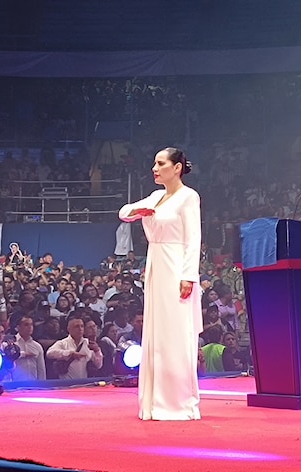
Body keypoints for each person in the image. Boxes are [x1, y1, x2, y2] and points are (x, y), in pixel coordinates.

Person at [119, 147, 202, 421]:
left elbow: (193, 238)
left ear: (177, 167)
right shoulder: (156, 196)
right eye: (154, 163)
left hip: (176, 264)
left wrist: (188, 275)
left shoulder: (188, 197)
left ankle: (179, 402)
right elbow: (125, 213)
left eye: (160, 163)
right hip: (156, 264)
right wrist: (139, 210)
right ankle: (154, 402)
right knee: (156, 333)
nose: (155, 168)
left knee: (176, 333)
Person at [12, 316, 46, 381]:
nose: (30, 327)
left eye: (31, 324)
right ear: (18, 327)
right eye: (26, 325)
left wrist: (42, 385)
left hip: (34, 384)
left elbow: (41, 369)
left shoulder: (37, 346)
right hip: (16, 384)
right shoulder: (12, 344)